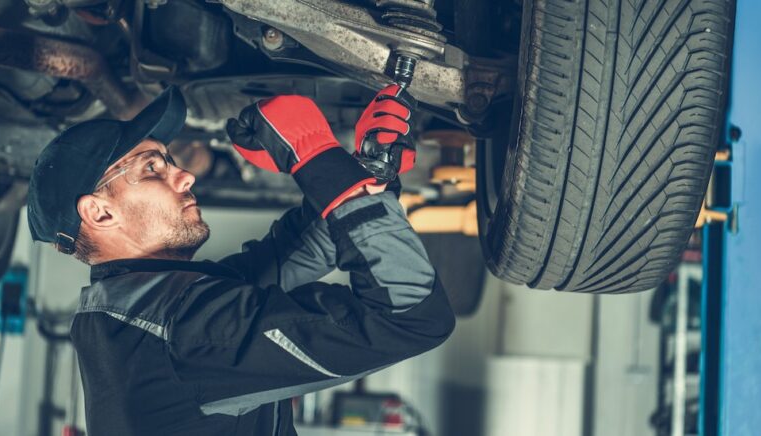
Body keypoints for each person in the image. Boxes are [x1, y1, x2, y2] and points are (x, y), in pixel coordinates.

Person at [26, 85, 455, 436]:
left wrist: (364, 172)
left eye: (169, 161)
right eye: (152, 168)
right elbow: (410, 316)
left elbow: (295, 254)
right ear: (100, 213)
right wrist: (315, 155)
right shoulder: (177, 329)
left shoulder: (141, 308)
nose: (185, 174)